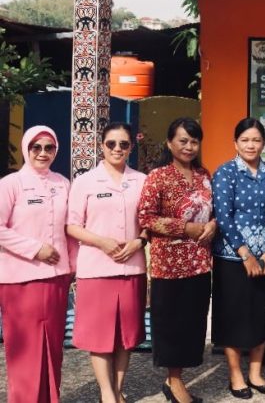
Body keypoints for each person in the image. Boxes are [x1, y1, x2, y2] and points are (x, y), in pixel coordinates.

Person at [66, 122, 148, 403]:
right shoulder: (85, 181)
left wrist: (140, 241)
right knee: (100, 335)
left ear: (131, 148)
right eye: (111, 143)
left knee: (126, 333)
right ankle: (106, 393)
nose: (117, 149)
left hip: (132, 267)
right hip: (96, 268)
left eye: (123, 144)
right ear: (102, 146)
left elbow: (149, 222)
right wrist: (101, 241)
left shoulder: (141, 180)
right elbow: (72, 226)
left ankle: (118, 387)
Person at [138, 117, 216, 403]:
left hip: (199, 263)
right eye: (183, 140)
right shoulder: (157, 176)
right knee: (171, 324)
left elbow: (213, 210)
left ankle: (179, 376)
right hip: (168, 266)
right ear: (170, 143)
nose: (189, 146)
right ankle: (174, 381)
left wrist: (213, 225)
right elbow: (146, 218)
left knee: (193, 323)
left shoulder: (204, 175)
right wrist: (186, 228)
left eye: (194, 141)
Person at [0, 126, 72, 403]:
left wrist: (74, 266)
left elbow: (70, 228)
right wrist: (35, 249)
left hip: (56, 278)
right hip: (20, 279)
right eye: (36, 147)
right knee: (25, 346)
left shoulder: (62, 183)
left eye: (49, 148)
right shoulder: (11, 184)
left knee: (52, 344)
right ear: (26, 149)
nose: (43, 153)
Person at [211, 118, 265, 399]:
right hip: (232, 258)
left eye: (256, 140)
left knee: (260, 313)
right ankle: (236, 374)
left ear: (263, 143)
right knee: (233, 316)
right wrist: (245, 254)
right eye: (245, 140)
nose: (251, 145)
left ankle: (255, 372)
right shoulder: (225, 173)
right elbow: (223, 217)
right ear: (235, 143)